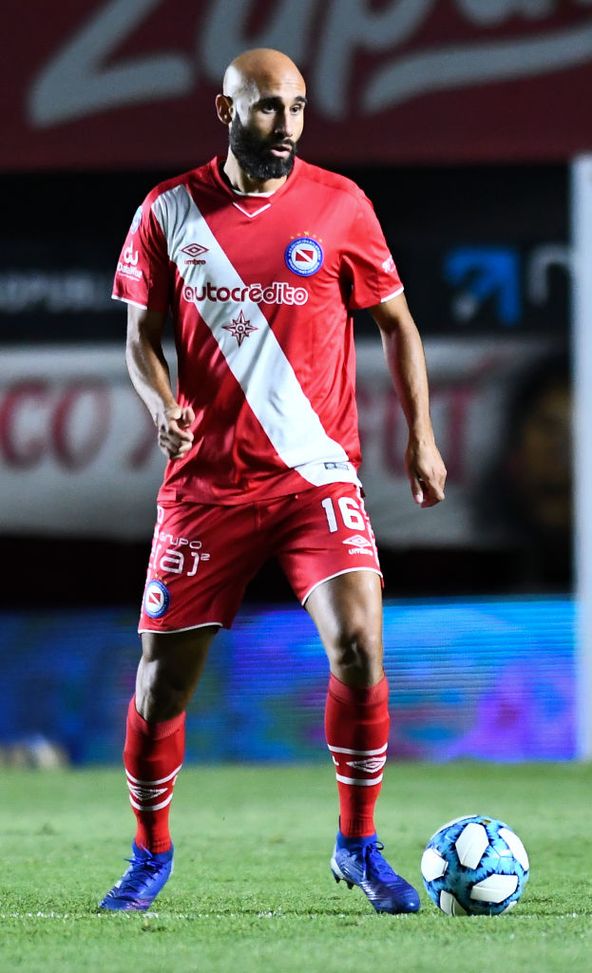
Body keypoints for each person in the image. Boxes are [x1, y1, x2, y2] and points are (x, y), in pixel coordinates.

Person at [99, 48, 446, 916]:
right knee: (159, 685)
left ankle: (358, 845)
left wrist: (421, 437)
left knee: (360, 645)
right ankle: (149, 854)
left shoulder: (340, 205)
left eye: (295, 109)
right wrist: (160, 402)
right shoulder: (169, 211)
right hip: (206, 489)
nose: (284, 126)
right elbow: (141, 337)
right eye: (265, 110)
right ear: (225, 109)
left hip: (316, 480)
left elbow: (396, 324)